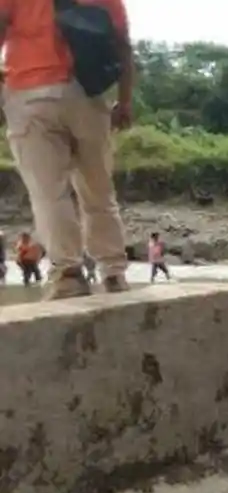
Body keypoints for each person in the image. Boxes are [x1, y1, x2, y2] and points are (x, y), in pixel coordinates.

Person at [0, 0, 133, 299]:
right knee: (97, 188)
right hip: (87, 94)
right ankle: (113, 273)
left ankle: (69, 273)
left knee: (49, 192)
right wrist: (125, 101)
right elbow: (123, 46)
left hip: (28, 93)